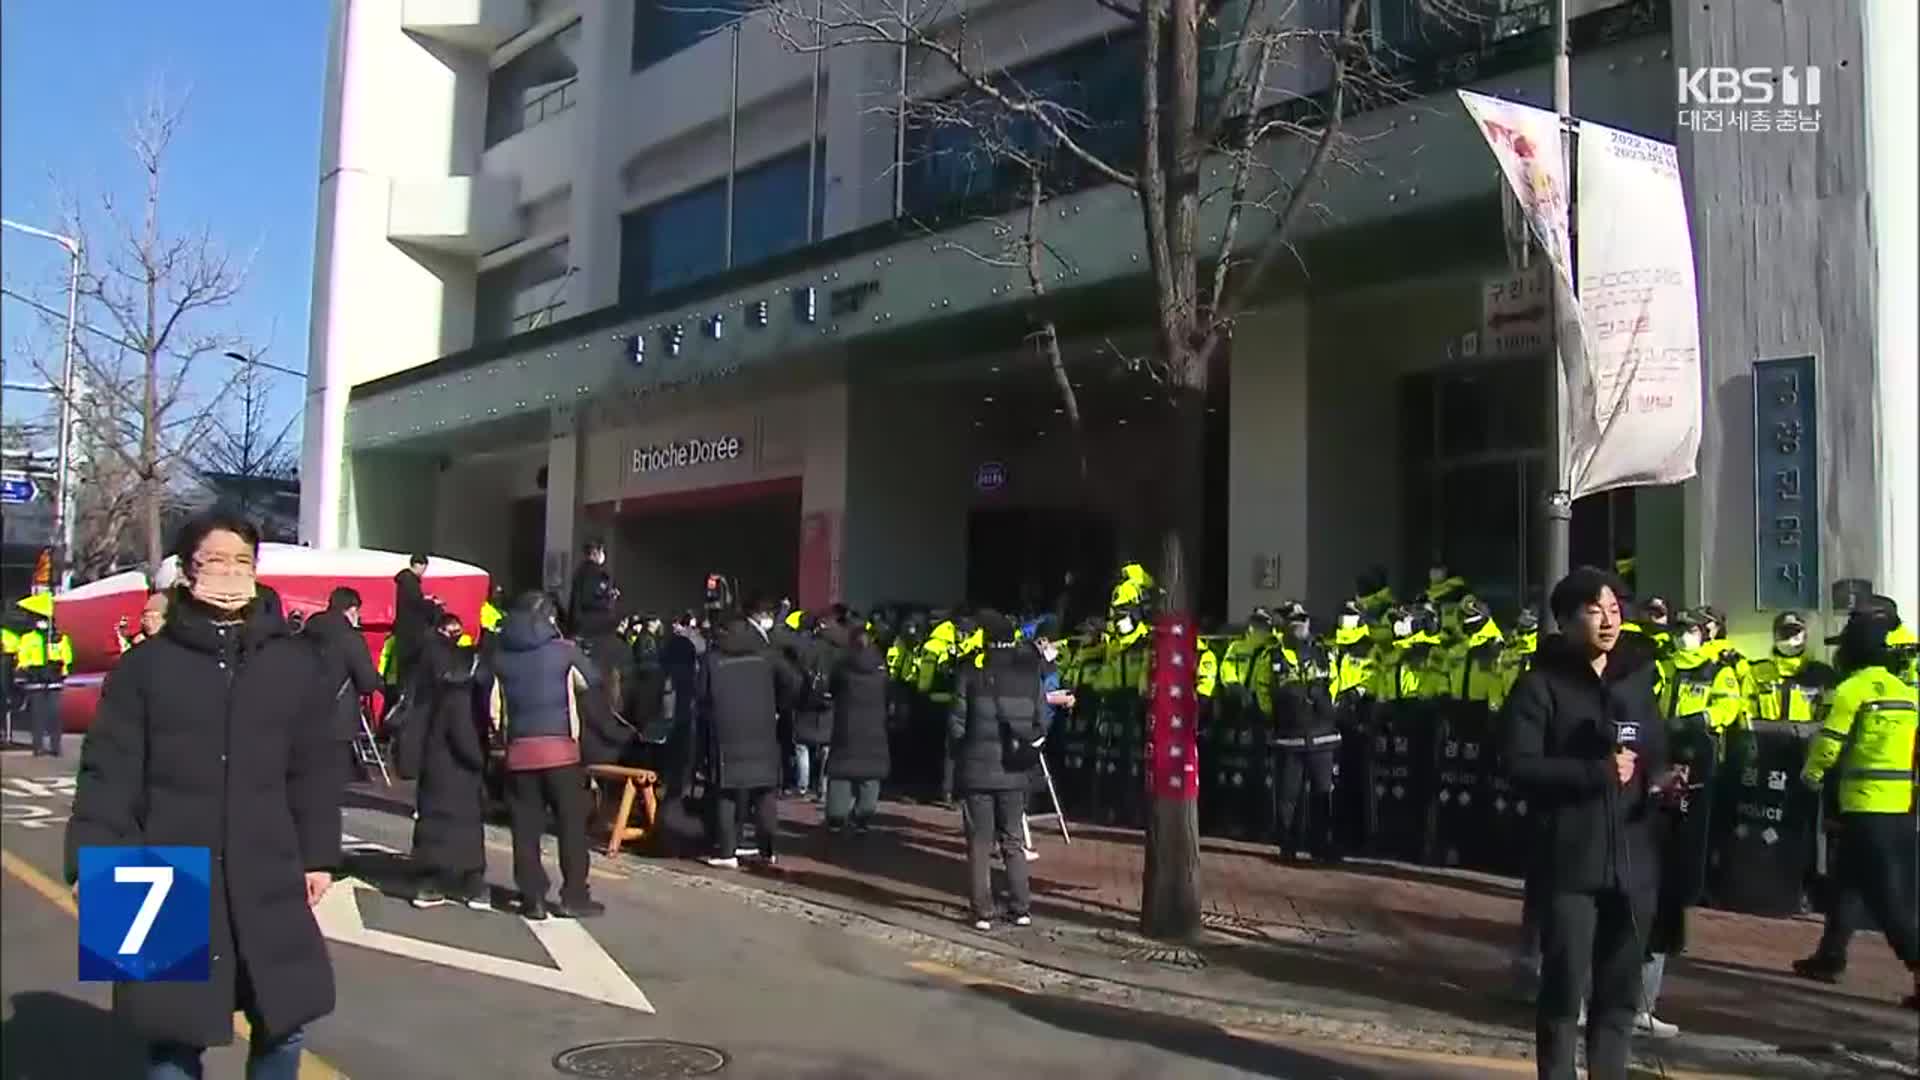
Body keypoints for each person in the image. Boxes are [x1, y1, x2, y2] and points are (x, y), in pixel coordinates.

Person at [64, 511, 340, 1080]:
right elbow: (108, 774)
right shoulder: (145, 667)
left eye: (242, 561)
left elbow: (312, 769)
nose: (230, 573)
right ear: (187, 572)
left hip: (267, 862)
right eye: (214, 560)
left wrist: (319, 856)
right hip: (157, 864)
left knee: (285, 1021)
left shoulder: (293, 661)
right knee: (167, 1036)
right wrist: (92, 865)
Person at [1503, 566, 1673, 1080]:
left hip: (1633, 863)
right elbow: (1519, 766)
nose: (1608, 619)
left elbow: (1654, 753)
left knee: (1620, 998)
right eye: (1595, 609)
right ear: (1566, 619)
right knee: (1563, 991)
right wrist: (1593, 773)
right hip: (1570, 862)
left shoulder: (1637, 680)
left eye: (1615, 608)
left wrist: (1666, 779)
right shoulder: (1539, 687)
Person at [1792, 596, 1919, 1010]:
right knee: (1847, 883)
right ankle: (1830, 956)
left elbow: (1829, 745)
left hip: (1864, 808)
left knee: (1889, 902)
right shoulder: (1906, 693)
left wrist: (1810, 778)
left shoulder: (1851, 691)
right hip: (1898, 808)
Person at [485, 591, 604, 920]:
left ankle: (532, 896)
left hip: (520, 752)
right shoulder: (563, 651)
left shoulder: (500, 655)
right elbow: (592, 680)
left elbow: (494, 708)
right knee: (571, 825)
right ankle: (574, 895)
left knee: (525, 828)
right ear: (549, 617)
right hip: (561, 752)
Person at [949, 610, 1046, 932]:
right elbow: (1040, 721)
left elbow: (957, 725)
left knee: (980, 841)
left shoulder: (971, 672)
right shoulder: (1030, 674)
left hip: (977, 768)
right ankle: (1021, 907)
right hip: (1015, 769)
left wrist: (961, 753)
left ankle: (982, 911)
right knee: (1013, 839)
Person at [405, 611, 490, 911]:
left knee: (432, 820)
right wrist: (482, 761)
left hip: (433, 761)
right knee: (465, 825)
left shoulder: (429, 675)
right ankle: (469, 883)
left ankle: (430, 880)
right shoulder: (461, 697)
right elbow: (466, 739)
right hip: (460, 771)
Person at [699, 610, 790, 868]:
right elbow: (791, 683)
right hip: (762, 730)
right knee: (764, 791)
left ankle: (727, 852)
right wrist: (776, 706)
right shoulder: (766, 656)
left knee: (726, 792)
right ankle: (767, 848)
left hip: (727, 733)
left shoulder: (713, 659)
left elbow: (701, 697)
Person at [303, 587, 383, 789]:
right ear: (352, 609)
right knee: (330, 786)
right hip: (338, 717)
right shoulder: (350, 638)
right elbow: (366, 682)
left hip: (303, 710)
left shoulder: (307, 630)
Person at [825, 625, 890, 832]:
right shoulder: (881, 670)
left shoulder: (842, 668)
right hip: (874, 729)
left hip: (846, 727)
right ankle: (863, 814)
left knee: (842, 773)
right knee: (870, 774)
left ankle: (836, 816)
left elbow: (831, 690)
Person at [15, 614, 73, 757]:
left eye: (45, 621)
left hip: (54, 681)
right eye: (40, 621)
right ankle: (38, 746)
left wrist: (57, 664)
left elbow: (67, 657)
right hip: (36, 681)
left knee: (55, 714)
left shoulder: (60, 638)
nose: (42, 624)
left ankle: (55, 747)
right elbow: (23, 658)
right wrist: (30, 668)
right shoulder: (28, 638)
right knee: (37, 715)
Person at [391, 553, 434, 683]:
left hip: (404, 630)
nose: (424, 572)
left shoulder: (404, 581)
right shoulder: (410, 581)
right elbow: (415, 603)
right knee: (411, 671)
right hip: (412, 633)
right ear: (418, 565)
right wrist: (431, 603)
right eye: (424, 568)